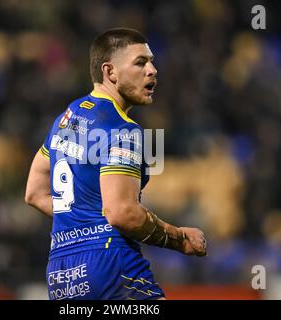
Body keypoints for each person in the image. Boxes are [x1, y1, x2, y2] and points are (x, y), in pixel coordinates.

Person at [25, 27, 207, 300]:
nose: (153, 70)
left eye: (152, 61)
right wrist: (179, 239)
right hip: (110, 264)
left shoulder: (67, 118)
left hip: (61, 274)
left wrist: (81, 221)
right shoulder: (122, 130)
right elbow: (122, 213)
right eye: (140, 62)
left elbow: (34, 193)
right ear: (110, 72)